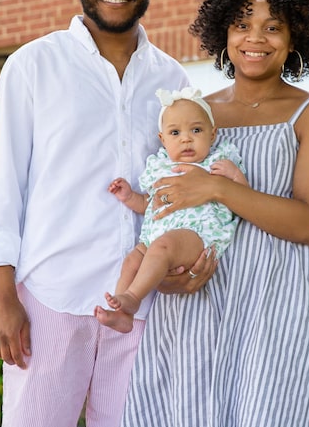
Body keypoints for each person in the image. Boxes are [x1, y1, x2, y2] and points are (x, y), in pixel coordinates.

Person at [0, 0, 198, 427]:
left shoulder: (172, 78)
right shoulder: (33, 64)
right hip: (50, 294)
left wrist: (191, 254)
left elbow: (182, 184)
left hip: (141, 302)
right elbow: (5, 185)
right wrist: (2, 294)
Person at [121, 0, 309, 426]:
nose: (256, 38)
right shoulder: (195, 116)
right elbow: (161, 206)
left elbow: (308, 225)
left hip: (277, 296)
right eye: (242, 24)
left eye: (273, 27)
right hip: (199, 295)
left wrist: (218, 188)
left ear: (294, 40)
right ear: (223, 34)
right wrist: (167, 271)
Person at [97, 87, 248, 333]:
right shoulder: (160, 167)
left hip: (196, 233)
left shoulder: (219, 163)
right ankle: (122, 312)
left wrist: (236, 176)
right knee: (132, 260)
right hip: (156, 234)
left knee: (162, 248)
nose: (185, 139)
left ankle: (133, 298)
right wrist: (129, 196)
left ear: (212, 134)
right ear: (163, 139)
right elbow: (150, 204)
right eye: (175, 133)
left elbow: (243, 199)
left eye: (196, 130)